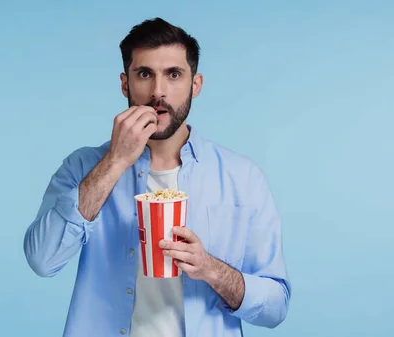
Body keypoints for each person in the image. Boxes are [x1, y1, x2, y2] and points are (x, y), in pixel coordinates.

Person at [23, 17, 291, 337]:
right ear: (125, 83)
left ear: (196, 84)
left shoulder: (242, 178)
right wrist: (115, 161)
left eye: (173, 75)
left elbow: (276, 308)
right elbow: (42, 260)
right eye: (144, 74)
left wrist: (210, 268)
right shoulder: (83, 167)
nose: (158, 92)